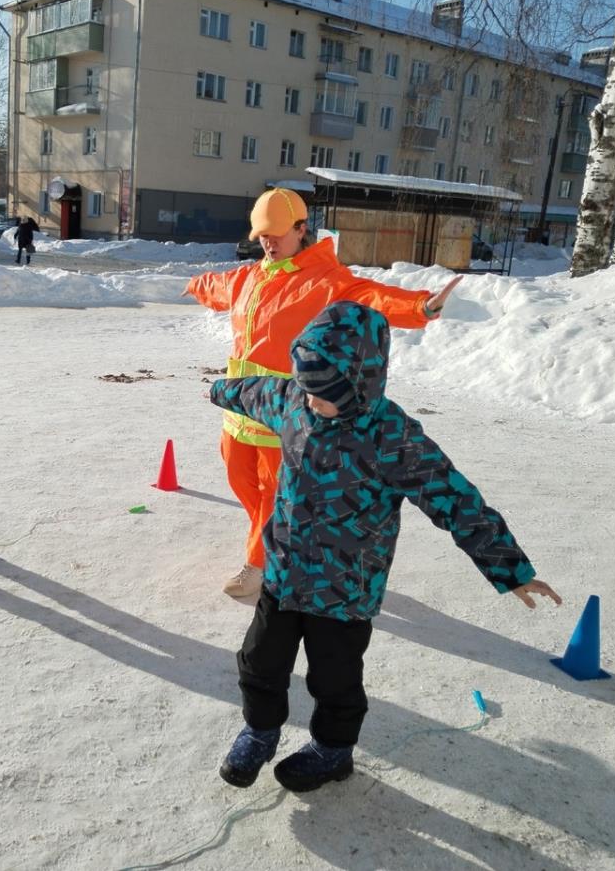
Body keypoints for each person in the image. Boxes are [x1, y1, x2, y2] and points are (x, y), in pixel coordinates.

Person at [207, 301, 561, 793]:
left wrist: (510, 569)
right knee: (259, 662)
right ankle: (261, 731)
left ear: (362, 384)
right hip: (284, 574)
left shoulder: (392, 437)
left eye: (326, 395)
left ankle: (332, 752)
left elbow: (455, 498)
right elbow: (256, 391)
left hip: (346, 590)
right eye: (307, 390)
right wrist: (219, 389)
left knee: (335, 682)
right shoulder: (293, 400)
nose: (313, 403)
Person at [185, 188, 461, 599]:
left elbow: (372, 296)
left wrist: (421, 306)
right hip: (241, 410)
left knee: (273, 492)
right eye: (262, 234)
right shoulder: (251, 276)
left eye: (277, 234)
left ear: (302, 229)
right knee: (241, 480)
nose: (268, 242)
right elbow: (219, 286)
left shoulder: (324, 280)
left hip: (283, 412)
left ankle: (260, 563)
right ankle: (281, 538)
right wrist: (194, 284)